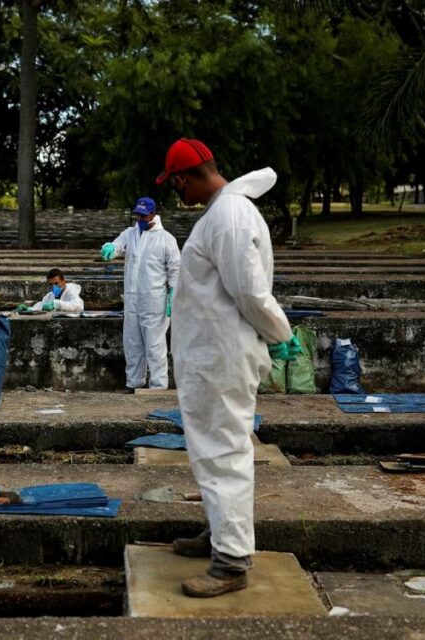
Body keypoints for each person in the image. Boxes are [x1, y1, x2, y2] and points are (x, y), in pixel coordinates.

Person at [161, 138, 301, 598]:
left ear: (184, 177)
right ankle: (219, 533)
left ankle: (232, 560)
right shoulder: (223, 212)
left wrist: (281, 333)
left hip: (221, 357)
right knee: (211, 449)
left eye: (174, 184)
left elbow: (250, 293)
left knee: (223, 452)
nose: (176, 194)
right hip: (211, 355)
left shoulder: (228, 215)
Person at [99, 197, 180, 391]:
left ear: (153, 214)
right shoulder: (131, 233)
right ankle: (134, 382)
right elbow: (117, 245)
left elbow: (176, 270)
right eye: (138, 214)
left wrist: (173, 295)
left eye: (144, 215)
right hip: (132, 299)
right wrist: (110, 248)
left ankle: (158, 386)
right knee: (132, 344)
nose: (140, 218)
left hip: (155, 301)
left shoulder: (166, 239)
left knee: (155, 346)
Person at [15, 268, 84, 313]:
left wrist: (56, 304)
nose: (54, 286)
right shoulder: (50, 295)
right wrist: (29, 309)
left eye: (56, 283)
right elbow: (41, 305)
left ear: (63, 281)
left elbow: (77, 305)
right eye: (51, 284)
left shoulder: (70, 291)